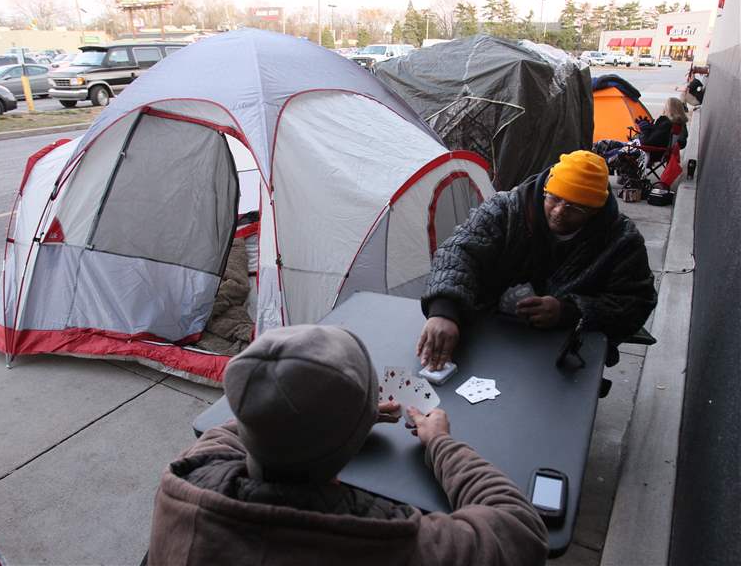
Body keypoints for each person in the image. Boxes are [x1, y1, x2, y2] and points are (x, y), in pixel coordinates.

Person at [149, 325, 548, 566]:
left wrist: (339, 416)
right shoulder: (386, 545)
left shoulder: (187, 479)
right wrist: (441, 443)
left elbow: (247, 426)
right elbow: (519, 530)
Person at [417, 150, 657, 381]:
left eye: (574, 208)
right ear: (546, 189)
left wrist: (570, 311)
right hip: (490, 330)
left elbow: (635, 301)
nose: (559, 211)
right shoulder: (506, 209)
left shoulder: (621, 241)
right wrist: (444, 310)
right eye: (554, 198)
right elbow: (459, 251)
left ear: (595, 210)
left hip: (566, 345)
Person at [635, 97, 689, 163]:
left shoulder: (666, 124)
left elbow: (646, 143)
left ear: (667, 108)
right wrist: (651, 127)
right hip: (666, 152)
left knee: (625, 147)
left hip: (654, 154)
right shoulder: (680, 124)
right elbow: (682, 143)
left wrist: (644, 129)